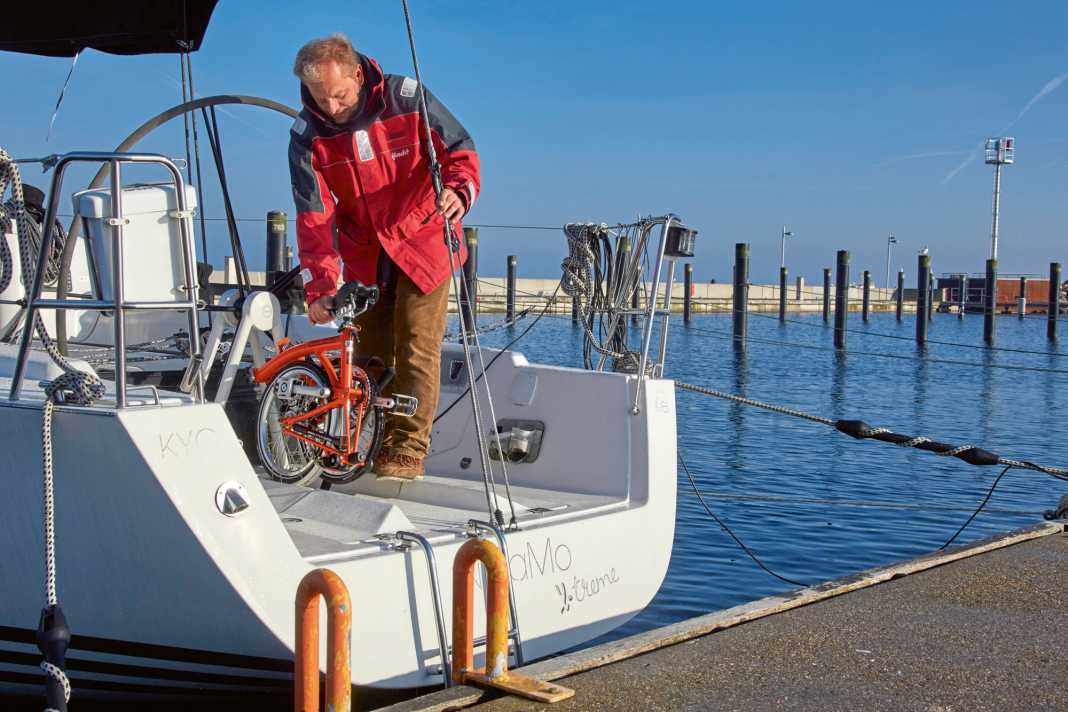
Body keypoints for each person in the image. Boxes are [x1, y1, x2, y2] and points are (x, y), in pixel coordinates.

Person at [288, 34, 479, 480]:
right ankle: (366, 437)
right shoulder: (306, 136)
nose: (331, 107)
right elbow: (314, 216)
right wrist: (320, 288)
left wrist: (459, 190)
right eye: (320, 97)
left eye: (338, 95)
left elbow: (460, 150)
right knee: (368, 353)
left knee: (415, 344)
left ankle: (407, 450)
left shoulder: (407, 99)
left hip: (425, 239)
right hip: (364, 253)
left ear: (357, 74)